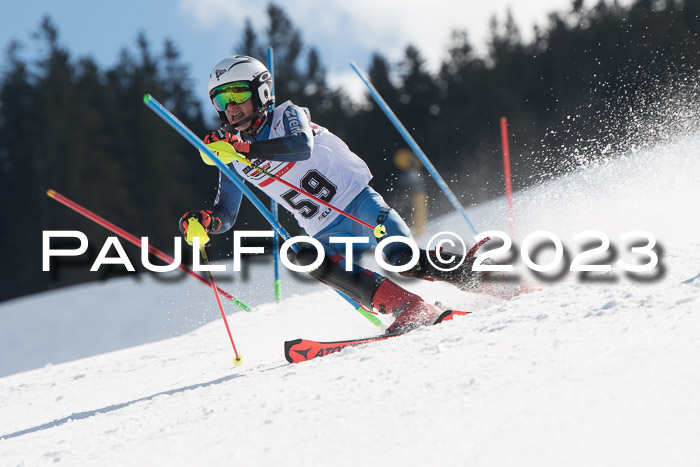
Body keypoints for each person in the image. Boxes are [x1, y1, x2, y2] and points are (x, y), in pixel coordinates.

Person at [179, 55, 481, 334]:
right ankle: (410, 308)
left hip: (358, 204)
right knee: (306, 255)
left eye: (238, 94)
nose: (231, 106)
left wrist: (245, 149)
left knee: (401, 257)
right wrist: (206, 222)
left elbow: (300, 146)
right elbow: (226, 214)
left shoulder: (288, 115)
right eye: (221, 98)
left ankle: (483, 275)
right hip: (324, 229)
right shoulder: (230, 155)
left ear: (262, 92)